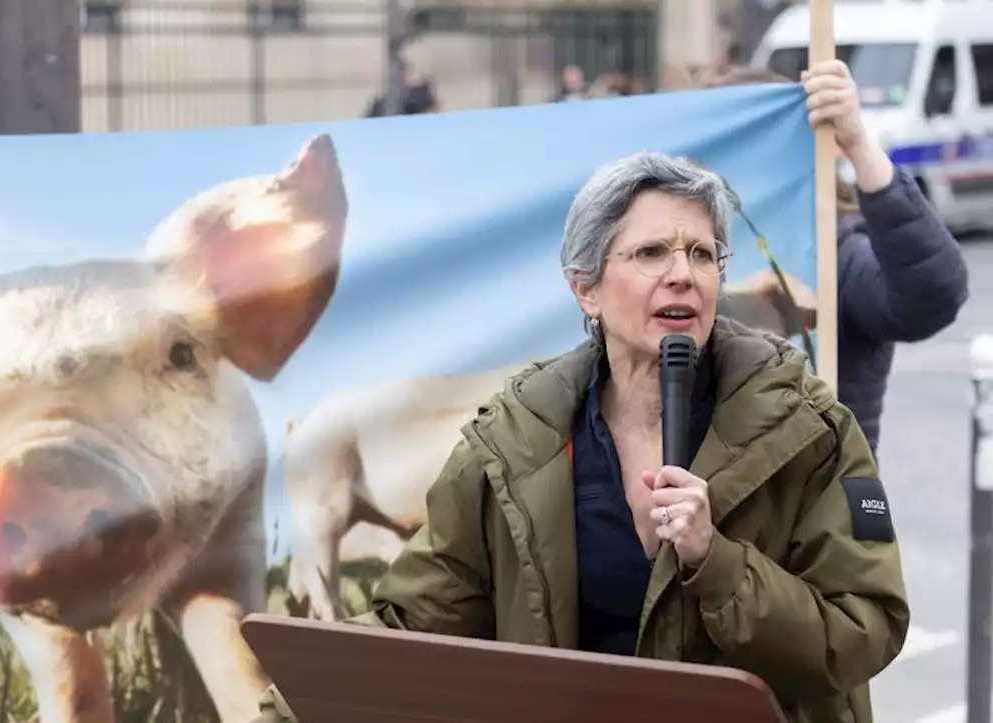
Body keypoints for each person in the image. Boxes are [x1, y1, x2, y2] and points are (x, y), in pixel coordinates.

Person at [252, 150, 909, 723]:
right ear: (586, 288)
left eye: (702, 254)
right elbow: (417, 621)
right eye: (651, 252)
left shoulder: (812, 433)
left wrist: (718, 562)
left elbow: (866, 628)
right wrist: (281, 707)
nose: (683, 272)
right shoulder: (510, 445)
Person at [702, 60, 970, 452]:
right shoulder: (687, 254)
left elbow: (932, 294)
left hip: (821, 501)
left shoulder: (834, 252)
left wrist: (859, 143)